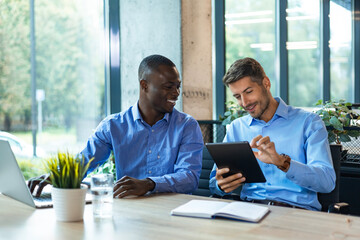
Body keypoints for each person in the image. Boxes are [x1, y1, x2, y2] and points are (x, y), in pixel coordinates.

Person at [29, 54, 204, 198]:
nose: (176, 93)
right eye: (169, 87)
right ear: (144, 85)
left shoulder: (187, 126)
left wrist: (149, 184)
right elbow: (85, 161)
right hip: (128, 211)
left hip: (172, 212)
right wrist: (56, 176)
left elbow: (189, 177)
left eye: (178, 86)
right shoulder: (113, 126)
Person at [209, 57, 335, 210]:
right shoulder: (236, 128)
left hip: (295, 213)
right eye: (237, 96)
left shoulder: (308, 123)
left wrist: (283, 163)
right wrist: (220, 185)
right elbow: (214, 183)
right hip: (248, 210)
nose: (244, 102)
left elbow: (327, 182)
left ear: (266, 83)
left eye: (248, 92)